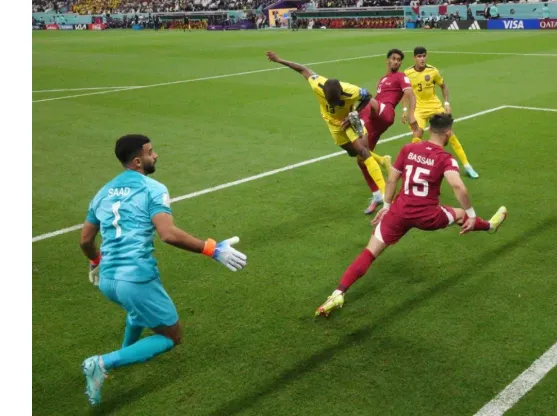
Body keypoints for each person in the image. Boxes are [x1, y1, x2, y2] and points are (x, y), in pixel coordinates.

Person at [79, 135, 247, 406]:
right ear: (137, 161)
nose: (155, 156)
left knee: (137, 312)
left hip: (108, 280)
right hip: (135, 279)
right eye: (150, 152)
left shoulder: (103, 192)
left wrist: (96, 261)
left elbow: (85, 240)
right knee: (171, 336)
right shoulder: (152, 188)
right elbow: (168, 234)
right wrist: (212, 249)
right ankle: (101, 363)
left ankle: (127, 353)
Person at [315, 114, 508, 317]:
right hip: (428, 216)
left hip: (399, 212)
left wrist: (387, 205)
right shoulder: (445, 158)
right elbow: (457, 185)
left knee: (369, 252)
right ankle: (489, 226)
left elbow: (391, 180)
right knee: (460, 215)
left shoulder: (409, 149)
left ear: (430, 130)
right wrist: (471, 213)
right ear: (449, 133)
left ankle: (338, 293)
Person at [266, 51, 392, 195]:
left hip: (349, 120)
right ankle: (382, 160)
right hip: (332, 124)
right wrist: (279, 60)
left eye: (336, 101)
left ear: (341, 94)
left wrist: (354, 113)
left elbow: (368, 96)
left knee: (363, 152)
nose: (334, 104)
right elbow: (302, 69)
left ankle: (384, 194)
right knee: (352, 152)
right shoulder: (317, 84)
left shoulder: (351, 91)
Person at [359, 48, 421, 215]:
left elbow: (410, 94)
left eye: (399, 60)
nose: (396, 62)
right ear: (387, 60)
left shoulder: (401, 77)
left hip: (385, 112)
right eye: (393, 59)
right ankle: (377, 195)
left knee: (362, 97)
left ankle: (353, 109)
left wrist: (411, 114)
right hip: (375, 119)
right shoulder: (383, 79)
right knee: (362, 158)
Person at [402, 47, 480, 179]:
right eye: (419, 56)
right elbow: (404, 92)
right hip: (418, 109)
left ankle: (467, 166)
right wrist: (405, 110)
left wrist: (447, 103)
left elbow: (443, 86)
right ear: (414, 58)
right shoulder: (407, 73)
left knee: (449, 134)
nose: (422, 59)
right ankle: (413, 167)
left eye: (424, 56)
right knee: (417, 134)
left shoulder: (433, 71)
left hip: (434, 106)